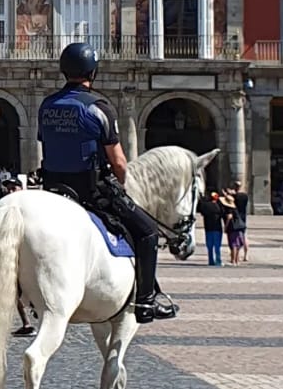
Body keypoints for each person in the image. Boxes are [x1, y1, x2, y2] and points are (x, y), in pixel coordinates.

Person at [37, 42, 178, 323]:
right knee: (148, 232)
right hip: (92, 191)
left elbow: (46, 143)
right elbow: (118, 162)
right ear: (93, 71)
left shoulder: (47, 105)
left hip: (53, 190)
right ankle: (146, 302)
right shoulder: (99, 107)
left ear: (64, 70)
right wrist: (126, 186)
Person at [197, 190, 224, 267]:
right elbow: (223, 212)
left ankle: (211, 260)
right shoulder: (218, 206)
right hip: (217, 228)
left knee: (209, 246)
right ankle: (218, 261)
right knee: (217, 246)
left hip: (208, 228)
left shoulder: (205, 206)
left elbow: (201, 210)